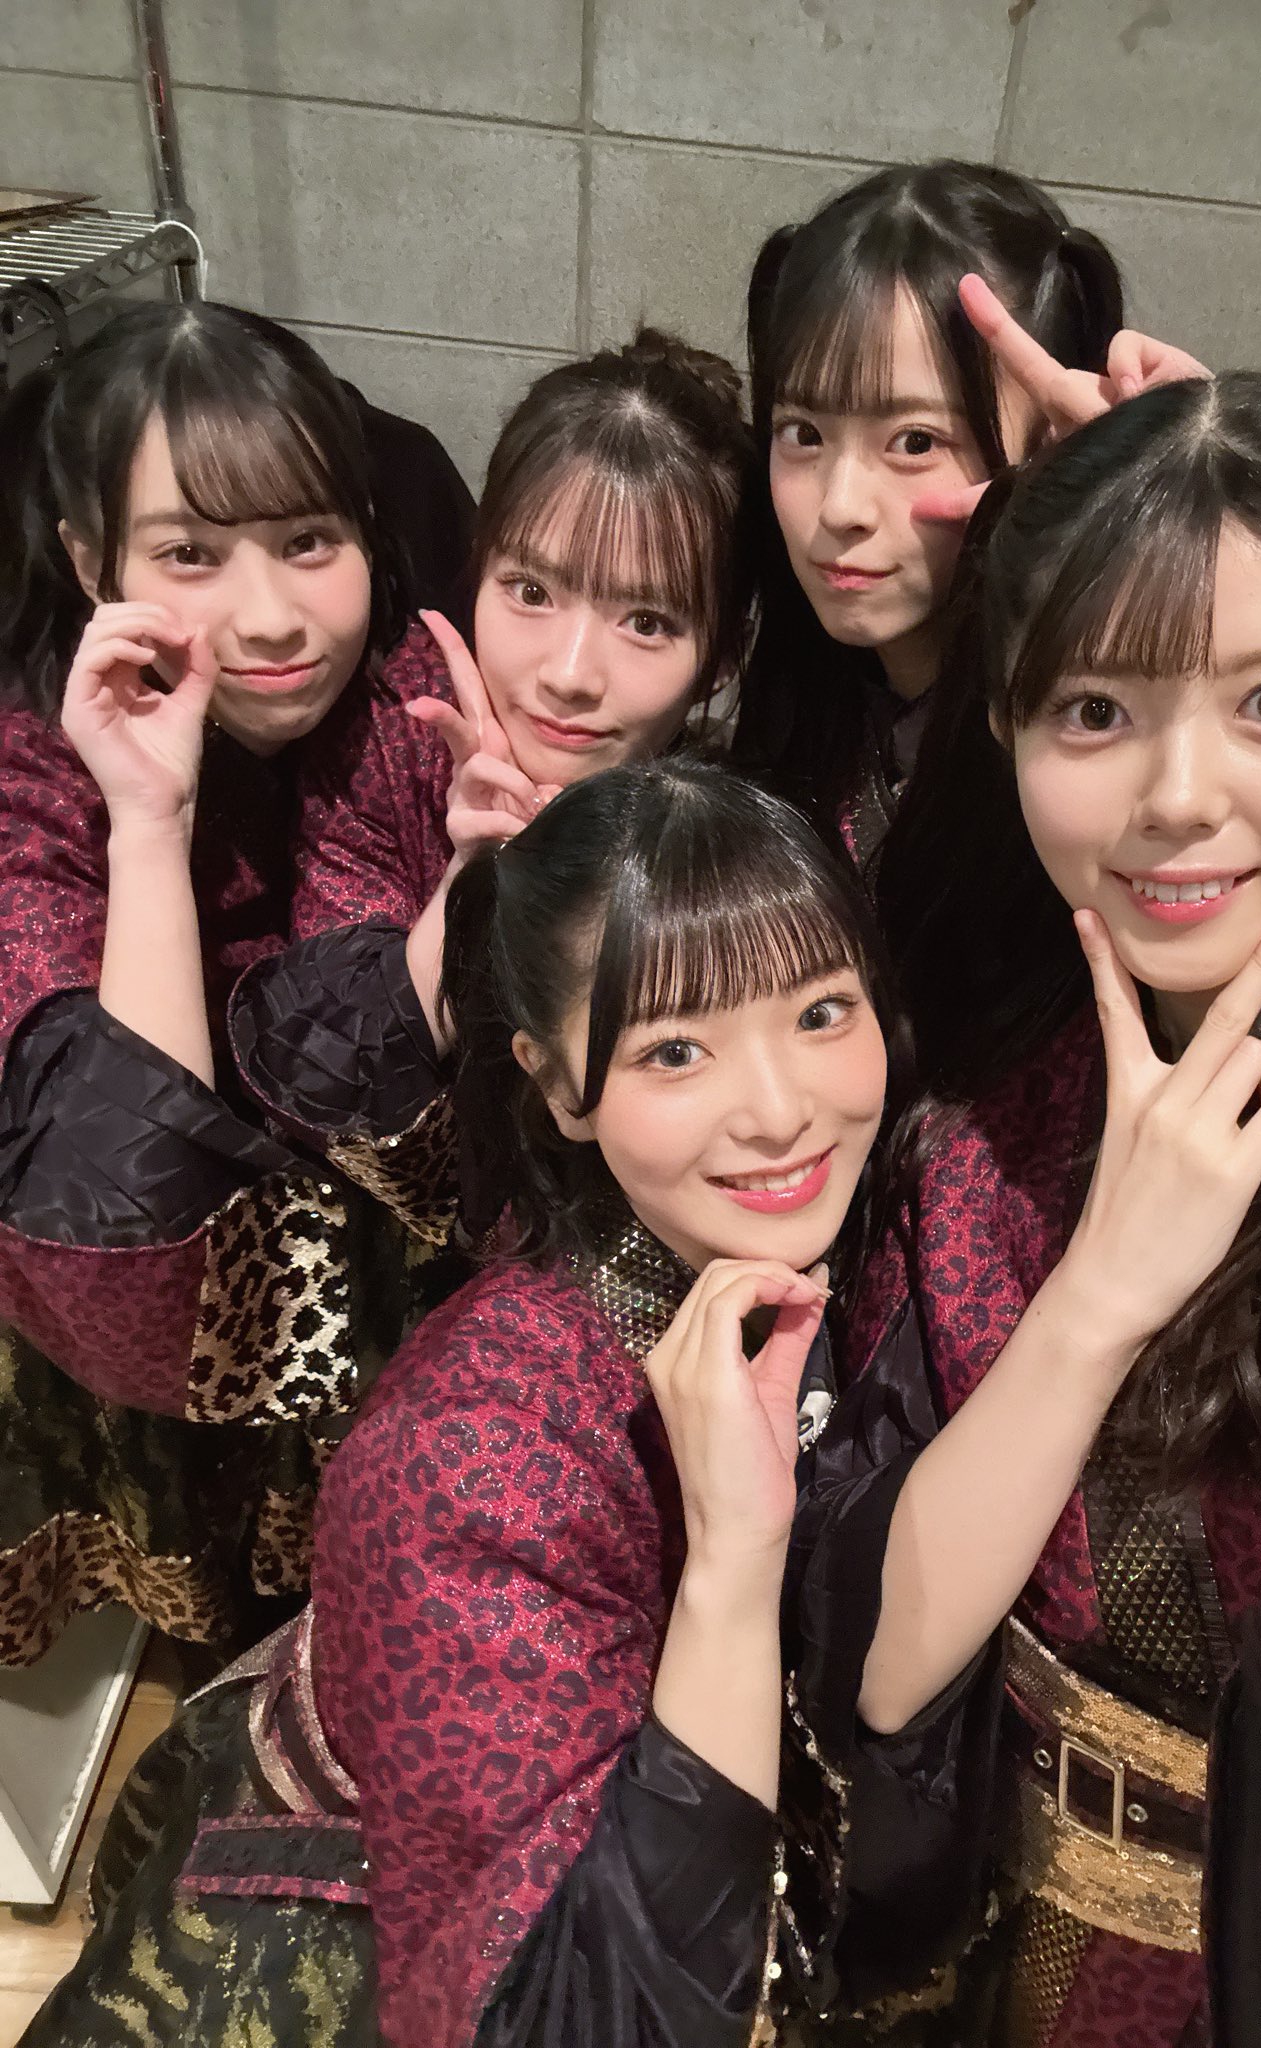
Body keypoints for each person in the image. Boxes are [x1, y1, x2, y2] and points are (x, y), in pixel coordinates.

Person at [792, 370, 1261, 2043]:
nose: (1176, 793)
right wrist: (1098, 1300)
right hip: (972, 1912)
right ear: (1005, 726)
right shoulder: (993, 1078)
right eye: (1094, 708)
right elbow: (887, 1659)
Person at [22, 760, 901, 2048]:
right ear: (558, 1086)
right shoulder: (469, 1454)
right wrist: (730, 1563)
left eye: (821, 1011)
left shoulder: (835, 1236)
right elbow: (568, 2023)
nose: (781, 1111)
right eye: (673, 1048)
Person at [0, 300, 448, 1661]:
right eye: (189, 554)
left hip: (371, 1304)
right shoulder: (35, 777)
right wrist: (148, 824)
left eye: (308, 540)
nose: (269, 619)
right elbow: (114, 1203)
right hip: (156, 1328)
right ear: (92, 561)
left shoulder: (412, 700)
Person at [228, 330, 757, 1250]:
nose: (569, 674)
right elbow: (316, 1088)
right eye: (531, 591)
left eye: (646, 620)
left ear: (719, 657)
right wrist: (470, 875)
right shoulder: (393, 733)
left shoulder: (729, 827)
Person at [730, 159, 1123, 857]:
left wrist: (1159, 512)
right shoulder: (805, 710)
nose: (841, 507)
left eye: (915, 441)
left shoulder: (1091, 756)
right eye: (805, 434)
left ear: (1050, 448)